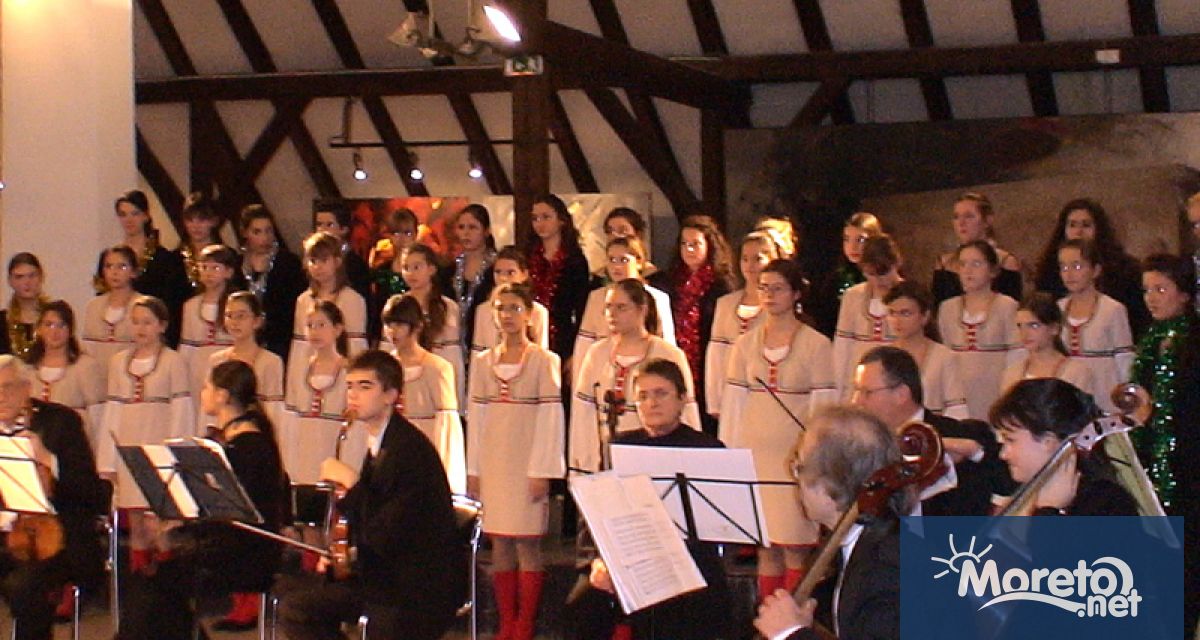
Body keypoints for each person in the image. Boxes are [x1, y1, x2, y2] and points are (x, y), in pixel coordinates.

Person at [276, 350, 462, 640]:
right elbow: (373, 521)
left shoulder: (407, 451)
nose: (353, 395)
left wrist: (351, 483)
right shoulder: (381, 441)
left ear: (390, 395)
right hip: (385, 574)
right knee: (297, 609)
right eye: (350, 386)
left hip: (414, 587)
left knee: (313, 610)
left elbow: (387, 531)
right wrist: (342, 556)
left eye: (365, 386)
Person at [117, 360, 287, 637]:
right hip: (226, 544)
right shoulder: (234, 439)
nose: (202, 393)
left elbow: (231, 515)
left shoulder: (250, 445)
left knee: (155, 583)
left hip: (248, 552)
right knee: (153, 583)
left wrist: (178, 530)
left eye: (207, 387)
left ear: (222, 396)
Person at [571, 358, 731, 640]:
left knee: (693, 607)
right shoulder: (619, 445)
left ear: (682, 399)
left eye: (661, 393)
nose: (651, 403)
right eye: (643, 396)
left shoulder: (707, 448)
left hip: (689, 559)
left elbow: (723, 521)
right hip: (633, 556)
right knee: (582, 605)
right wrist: (597, 561)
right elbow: (595, 514)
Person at [719, 259, 836, 599]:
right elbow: (734, 406)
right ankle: (768, 616)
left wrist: (814, 456)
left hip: (794, 458)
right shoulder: (744, 344)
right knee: (766, 547)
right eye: (764, 288)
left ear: (797, 293)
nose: (769, 295)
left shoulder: (817, 344)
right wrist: (730, 458)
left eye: (778, 288)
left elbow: (823, 408)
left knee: (795, 546)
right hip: (755, 458)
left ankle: (793, 618)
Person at [753, 405, 911, 640]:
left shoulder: (885, 566)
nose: (797, 481)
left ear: (830, 483)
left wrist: (792, 633)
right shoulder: (858, 542)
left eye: (799, 468)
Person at [467, 283, 565, 640]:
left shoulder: (544, 360)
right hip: (495, 460)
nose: (507, 315)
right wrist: (474, 469)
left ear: (528, 314)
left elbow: (551, 419)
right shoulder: (482, 363)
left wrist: (542, 470)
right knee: (501, 543)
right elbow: (476, 419)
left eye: (514, 308)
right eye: (500, 308)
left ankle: (525, 623)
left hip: (526, 460)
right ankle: (506, 621)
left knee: (527, 543)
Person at [0, 355, 110, 640]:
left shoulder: (61, 423)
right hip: (5, 537)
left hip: (60, 541)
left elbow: (93, 494)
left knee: (26, 587)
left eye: (8, 387)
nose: (1, 396)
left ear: (26, 388)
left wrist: (49, 460)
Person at [96, 296, 193, 574]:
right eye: (136, 322)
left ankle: (165, 578)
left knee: (158, 523)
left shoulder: (173, 361)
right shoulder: (118, 362)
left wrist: (175, 454)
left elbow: (181, 411)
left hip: (158, 449)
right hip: (129, 449)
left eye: (147, 322)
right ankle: (138, 579)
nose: (140, 328)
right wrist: (108, 460)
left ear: (162, 325)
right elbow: (112, 412)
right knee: (136, 522)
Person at [851, 346, 1009, 516]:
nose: (856, 401)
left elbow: (1009, 481)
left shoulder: (963, 434)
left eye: (866, 392)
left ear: (901, 394)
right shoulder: (860, 448)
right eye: (856, 391)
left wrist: (974, 451)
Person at [1131, 253, 1200, 636]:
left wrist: (1153, 415)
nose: (1151, 298)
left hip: (1188, 471)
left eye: (1161, 289)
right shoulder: (1152, 340)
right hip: (1156, 468)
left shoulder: (1192, 342)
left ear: (1184, 294)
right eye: (1146, 290)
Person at [570, 279, 698, 474]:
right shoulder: (596, 353)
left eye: (621, 307)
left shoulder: (668, 354)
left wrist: (688, 462)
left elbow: (686, 411)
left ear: (642, 310)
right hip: (606, 459)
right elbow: (582, 414)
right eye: (608, 307)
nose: (612, 314)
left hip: (657, 457)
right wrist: (583, 465)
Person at [990, 378, 1137, 516]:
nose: (1003, 454)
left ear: (1048, 442)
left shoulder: (1106, 504)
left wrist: (1049, 510)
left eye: (1010, 440)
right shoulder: (1026, 492)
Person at [647, 215, 736, 435]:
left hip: (706, 363)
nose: (689, 250)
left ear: (709, 246)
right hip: (676, 357)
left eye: (695, 244)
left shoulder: (721, 285)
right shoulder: (668, 281)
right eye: (684, 244)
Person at [380, 295, 466, 495]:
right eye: (389, 324)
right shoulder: (382, 367)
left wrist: (446, 477)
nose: (392, 331)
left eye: (400, 324)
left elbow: (447, 427)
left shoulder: (437, 367)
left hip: (424, 455)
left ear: (417, 326)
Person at [1032, 198, 1149, 337]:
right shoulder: (1049, 271)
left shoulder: (1125, 270)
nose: (1078, 231)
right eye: (1072, 225)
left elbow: (1138, 319)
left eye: (1086, 225)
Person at [936, 240, 1023, 419]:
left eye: (976, 264)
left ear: (992, 270)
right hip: (959, 394)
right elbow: (945, 357)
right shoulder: (947, 308)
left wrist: (1009, 395)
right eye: (962, 264)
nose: (968, 270)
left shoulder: (1007, 306)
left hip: (995, 392)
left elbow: (1017, 357)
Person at [286, 232, 369, 401]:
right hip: (310, 374)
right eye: (313, 261)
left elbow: (356, 348)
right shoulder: (303, 300)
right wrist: (295, 389)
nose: (318, 267)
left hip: (342, 378)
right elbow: (299, 349)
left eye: (324, 260)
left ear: (337, 262)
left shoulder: (353, 300)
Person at [705, 231, 779, 419]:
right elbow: (716, 356)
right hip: (731, 393)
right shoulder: (725, 304)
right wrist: (715, 400)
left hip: (763, 395)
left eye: (757, 259)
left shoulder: (777, 306)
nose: (750, 266)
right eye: (745, 259)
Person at [1054, 239, 1133, 413]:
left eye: (1077, 266)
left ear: (1095, 270)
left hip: (1104, 393)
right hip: (1068, 393)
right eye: (1063, 267)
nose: (1069, 274)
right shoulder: (1058, 308)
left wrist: (1127, 398)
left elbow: (1124, 359)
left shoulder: (1112, 309)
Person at [386, 244, 466, 408]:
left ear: (431, 269)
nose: (411, 273)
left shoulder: (447, 307)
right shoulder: (396, 304)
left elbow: (453, 356)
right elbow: (388, 346)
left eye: (417, 267)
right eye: (406, 268)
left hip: (436, 377)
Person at [575, 237, 675, 367]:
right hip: (604, 368)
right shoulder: (596, 297)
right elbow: (584, 343)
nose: (616, 266)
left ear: (638, 262)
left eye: (623, 260)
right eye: (612, 260)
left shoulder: (657, 298)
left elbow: (667, 343)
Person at [22, 301, 105, 452]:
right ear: (39, 329)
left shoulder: (85, 366)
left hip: (72, 444)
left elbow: (97, 417)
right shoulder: (28, 368)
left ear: (70, 330)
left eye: (61, 325)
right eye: (49, 325)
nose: (55, 332)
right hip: (33, 443)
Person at [113, 189, 190, 347]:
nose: (129, 220)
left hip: (155, 336)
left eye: (135, 213)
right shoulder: (113, 259)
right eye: (123, 214)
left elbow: (173, 306)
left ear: (146, 216)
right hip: (120, 334)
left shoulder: (166, 259)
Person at [882, 281, 968, 419]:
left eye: (905, 313)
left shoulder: (945, 357)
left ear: (925, 316)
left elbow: (957, 410)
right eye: (892, 313)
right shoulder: (881, 356)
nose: (897, 320)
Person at [179, 244, 242, 428]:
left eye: (215, 268)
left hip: (226, 364)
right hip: (197, 367)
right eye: (204, 267)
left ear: (228, 272)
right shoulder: (191, 305)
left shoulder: (235, 303)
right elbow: (186, 346)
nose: (208, 273)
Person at [832, 234, 903, 396]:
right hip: (858, 381)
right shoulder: (852, 296)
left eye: (883, 272)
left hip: (894, 380)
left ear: (896, 263)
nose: (877, 280)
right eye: (870, 273)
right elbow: (842, 347)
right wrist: (838, 391)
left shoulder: (909, 296)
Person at [526, 194, 590, 369]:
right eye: (535, 218)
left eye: (546, 217)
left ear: (561, 220)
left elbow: (581, 308)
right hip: (529, 335)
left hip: (562, 339)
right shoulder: (527, 256)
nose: (540, 223)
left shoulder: (575, 261)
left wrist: (575, 352)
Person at [237, 204, 307, 362]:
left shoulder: (288, 262)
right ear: (245, 233)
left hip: (280, 342)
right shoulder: (237, 263)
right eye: (257, 232)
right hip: (244, 339)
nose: (264, 238)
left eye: (268, 231)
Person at [209, 291, 286, 431]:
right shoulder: (217, 360)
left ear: (257, 321)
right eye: (229, 316)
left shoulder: (271, 362)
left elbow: (273, 412)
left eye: (241, 316)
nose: (234, 322)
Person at [931, 192, 1022, 307]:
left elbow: (1013, 309)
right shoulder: (944, 263)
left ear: (987, 220)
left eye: (969, 216)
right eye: (956, 217)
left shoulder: (1005, 262)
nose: (961, 223)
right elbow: (937, 308)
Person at [1000, 292, 1092, 396]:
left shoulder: (1076, 373)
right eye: (1020, 326)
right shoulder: (1011, 375)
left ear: (1054, 328)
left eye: (1034, 325)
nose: (1024, 334)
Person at [811, 212, 884, 338]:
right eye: (846, 239)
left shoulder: (885, 277)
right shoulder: (836, 279)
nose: (852, 247)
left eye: (860, 240)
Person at [440, 204, 497, 359]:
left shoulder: (497, 269)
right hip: (453, 347)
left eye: (472, 227)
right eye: (461, 227)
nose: (466, 233)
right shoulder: (448, 271)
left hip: (487, 345)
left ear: (486, 231)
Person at [81, 246, 139, 394]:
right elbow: (87, 349)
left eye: (122, 266)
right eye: (109, 266)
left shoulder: (142, 305)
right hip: (97, 380)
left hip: (130, 379)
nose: (114, 272)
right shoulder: (93, 306)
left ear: (133, 272)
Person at [471, 246, 549, 355]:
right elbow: (477, 352)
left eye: (510, 272)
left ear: (524, 274)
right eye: (498, 272)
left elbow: (542, 354)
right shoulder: (483, 310)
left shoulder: (538, 311)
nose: (503, 278)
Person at [368, 207, 420, 345]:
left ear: (416, 234)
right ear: (390, 236)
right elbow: (376, 311)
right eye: (396, 233)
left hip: (417, 336)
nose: (401, 238)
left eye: (407, 233)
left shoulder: (425, 270)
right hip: (387, 337)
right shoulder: (381, 271)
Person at [313, 199, 372, 303]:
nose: (322, 230)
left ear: (344, 229)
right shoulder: (312, 261)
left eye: (329, 225)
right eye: (319, 224)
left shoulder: (355, 264)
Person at [174, 191, 226, 291]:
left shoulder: (227, 256)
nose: (196, 226)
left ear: (214, 221)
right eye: (190, 220)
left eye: (202, 220)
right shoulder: (175, 259)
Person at [1, 253, 49, 359]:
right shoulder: (2, 321)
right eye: (19, 277)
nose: (27, 282)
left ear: (41, 277)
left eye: (32, 276)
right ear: (10, 281)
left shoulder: (54, 317)